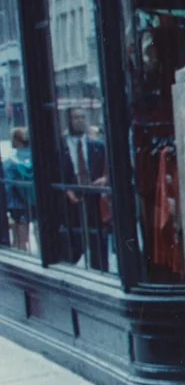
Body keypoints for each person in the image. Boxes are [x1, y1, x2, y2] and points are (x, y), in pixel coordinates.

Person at [61, 110, 109, 272]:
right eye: (75, 118)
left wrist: (104, 180)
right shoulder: (60, 148)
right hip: (71, 200)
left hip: (94, 198)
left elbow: (108, 170)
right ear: (69, 121)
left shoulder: (97, 145)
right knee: (73, 242)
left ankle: (101, 271)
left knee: (98, 241)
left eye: (82, 117)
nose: (80, 121)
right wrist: (67, 190)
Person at [4, 126, 33, 251]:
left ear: (17, 140)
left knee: (19, 240)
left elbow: (7, 185)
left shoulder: (10, 161)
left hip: (17, 204)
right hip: (34, 202)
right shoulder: (36, 157)